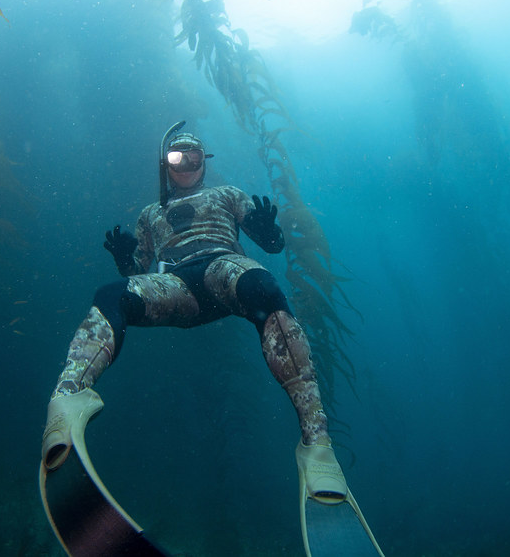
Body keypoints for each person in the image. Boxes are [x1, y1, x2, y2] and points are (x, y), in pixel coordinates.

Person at [41, 125, 351, 503]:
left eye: (194, 157)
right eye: (177, 158)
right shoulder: (150, 214)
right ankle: (66, 397)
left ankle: (317, 443)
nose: (186, 164)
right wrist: (125, 258)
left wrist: (269, 231)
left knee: (264, 288)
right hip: (176, 286)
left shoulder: (227, 195)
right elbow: (136, 271)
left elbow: (271, 245)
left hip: (224, 269)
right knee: (110, 295)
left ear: (205, 163)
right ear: (164, 165)